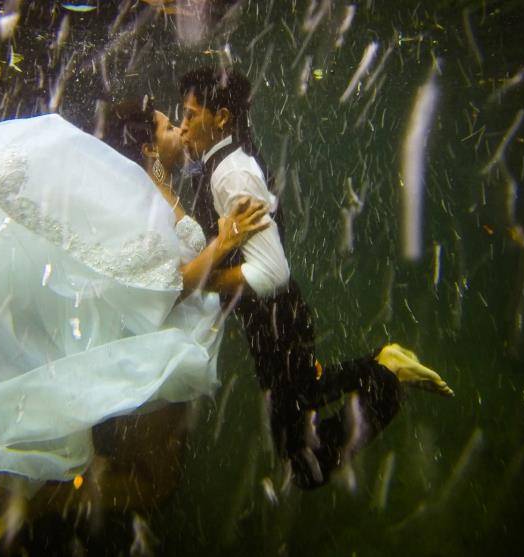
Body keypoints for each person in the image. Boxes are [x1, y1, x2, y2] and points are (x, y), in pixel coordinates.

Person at [0, 103, 268, 551]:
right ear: (147, 146)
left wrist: (238, 274)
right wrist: (224, 243)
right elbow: (166, 285)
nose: (178, 129)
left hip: (162, 343)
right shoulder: (138, 197)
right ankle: (27, 503)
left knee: (150, 478)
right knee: (156, 483)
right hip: (158, 350)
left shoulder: (151, 189)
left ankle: (21, 500)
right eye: (165, 125)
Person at [177, 66, 454, 489]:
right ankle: (382, 365)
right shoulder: (226, 161)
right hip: (278, 321)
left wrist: (203, 280)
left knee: (304, 462)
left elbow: (272, 272)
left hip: (277, 323)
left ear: (221, 119)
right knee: (307, 401)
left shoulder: (230, 173)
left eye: (190, 116)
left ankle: (384, 379)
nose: (182, 128)